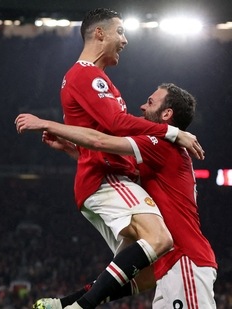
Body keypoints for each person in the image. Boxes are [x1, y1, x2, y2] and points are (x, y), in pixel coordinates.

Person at [18, 8, 204, 309]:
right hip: (108, 178)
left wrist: (70, 149)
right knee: (160, 240)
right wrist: (170, 132)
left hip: (101, 179)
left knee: (145, 273)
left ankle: (63, 304)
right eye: (120, 31)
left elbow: (97, 140)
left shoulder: (93, 79)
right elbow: (114, 128)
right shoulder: (87, 76)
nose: (125, 40)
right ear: (99, 33)